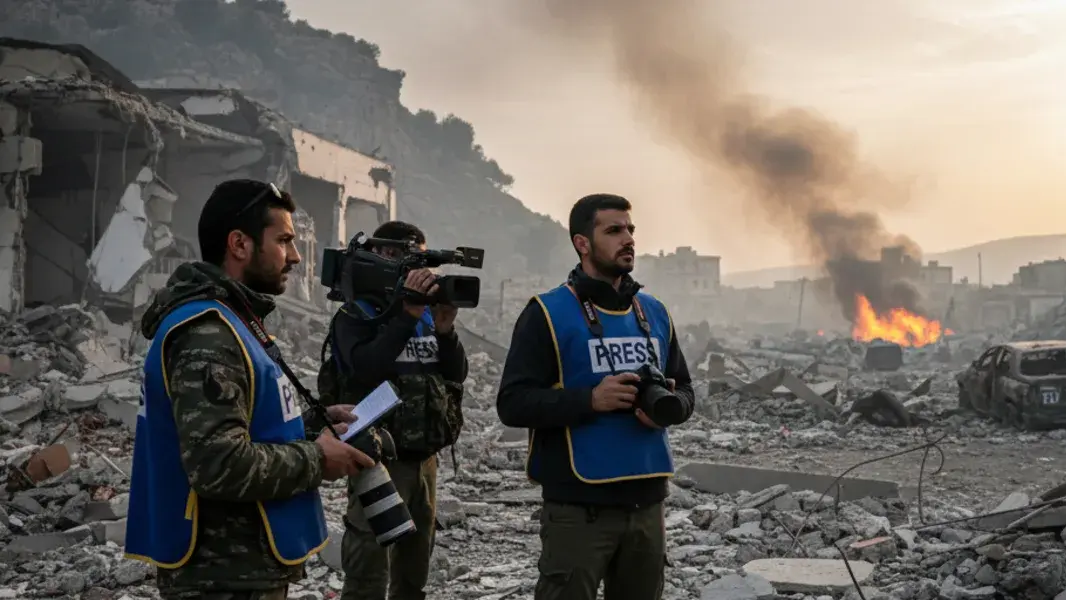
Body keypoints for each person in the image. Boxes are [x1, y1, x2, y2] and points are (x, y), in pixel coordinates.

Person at [125, 179, 376, 600]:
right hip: (222, 578)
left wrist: (313, 425)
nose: (295, 256)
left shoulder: (233, 321)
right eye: (284, 241)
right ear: (240, 244)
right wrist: (318, 458)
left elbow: (244, 424)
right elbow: (218, 464)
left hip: (243, 572)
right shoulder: (208, 334)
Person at [496, 193, 696, 600]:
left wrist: (670, 409)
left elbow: (687, 390)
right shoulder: (547, 313)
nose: (628, 239)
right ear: (582, 243)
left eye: (630, 230)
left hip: (648, 505)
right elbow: (512, 403)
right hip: (578, 508)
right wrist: (590, 400)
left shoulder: (654, 313)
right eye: (614, 230)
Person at [319, 220, 468, 600]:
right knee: (368, 572)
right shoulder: (357, 315)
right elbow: (364, 369)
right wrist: (406, 316)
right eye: (399, 256)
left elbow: (455, 375)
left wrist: (446, 331)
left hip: (425, 461)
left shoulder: (427, 318)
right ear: (377, 256)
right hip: (377, 460)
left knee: (414, 574)